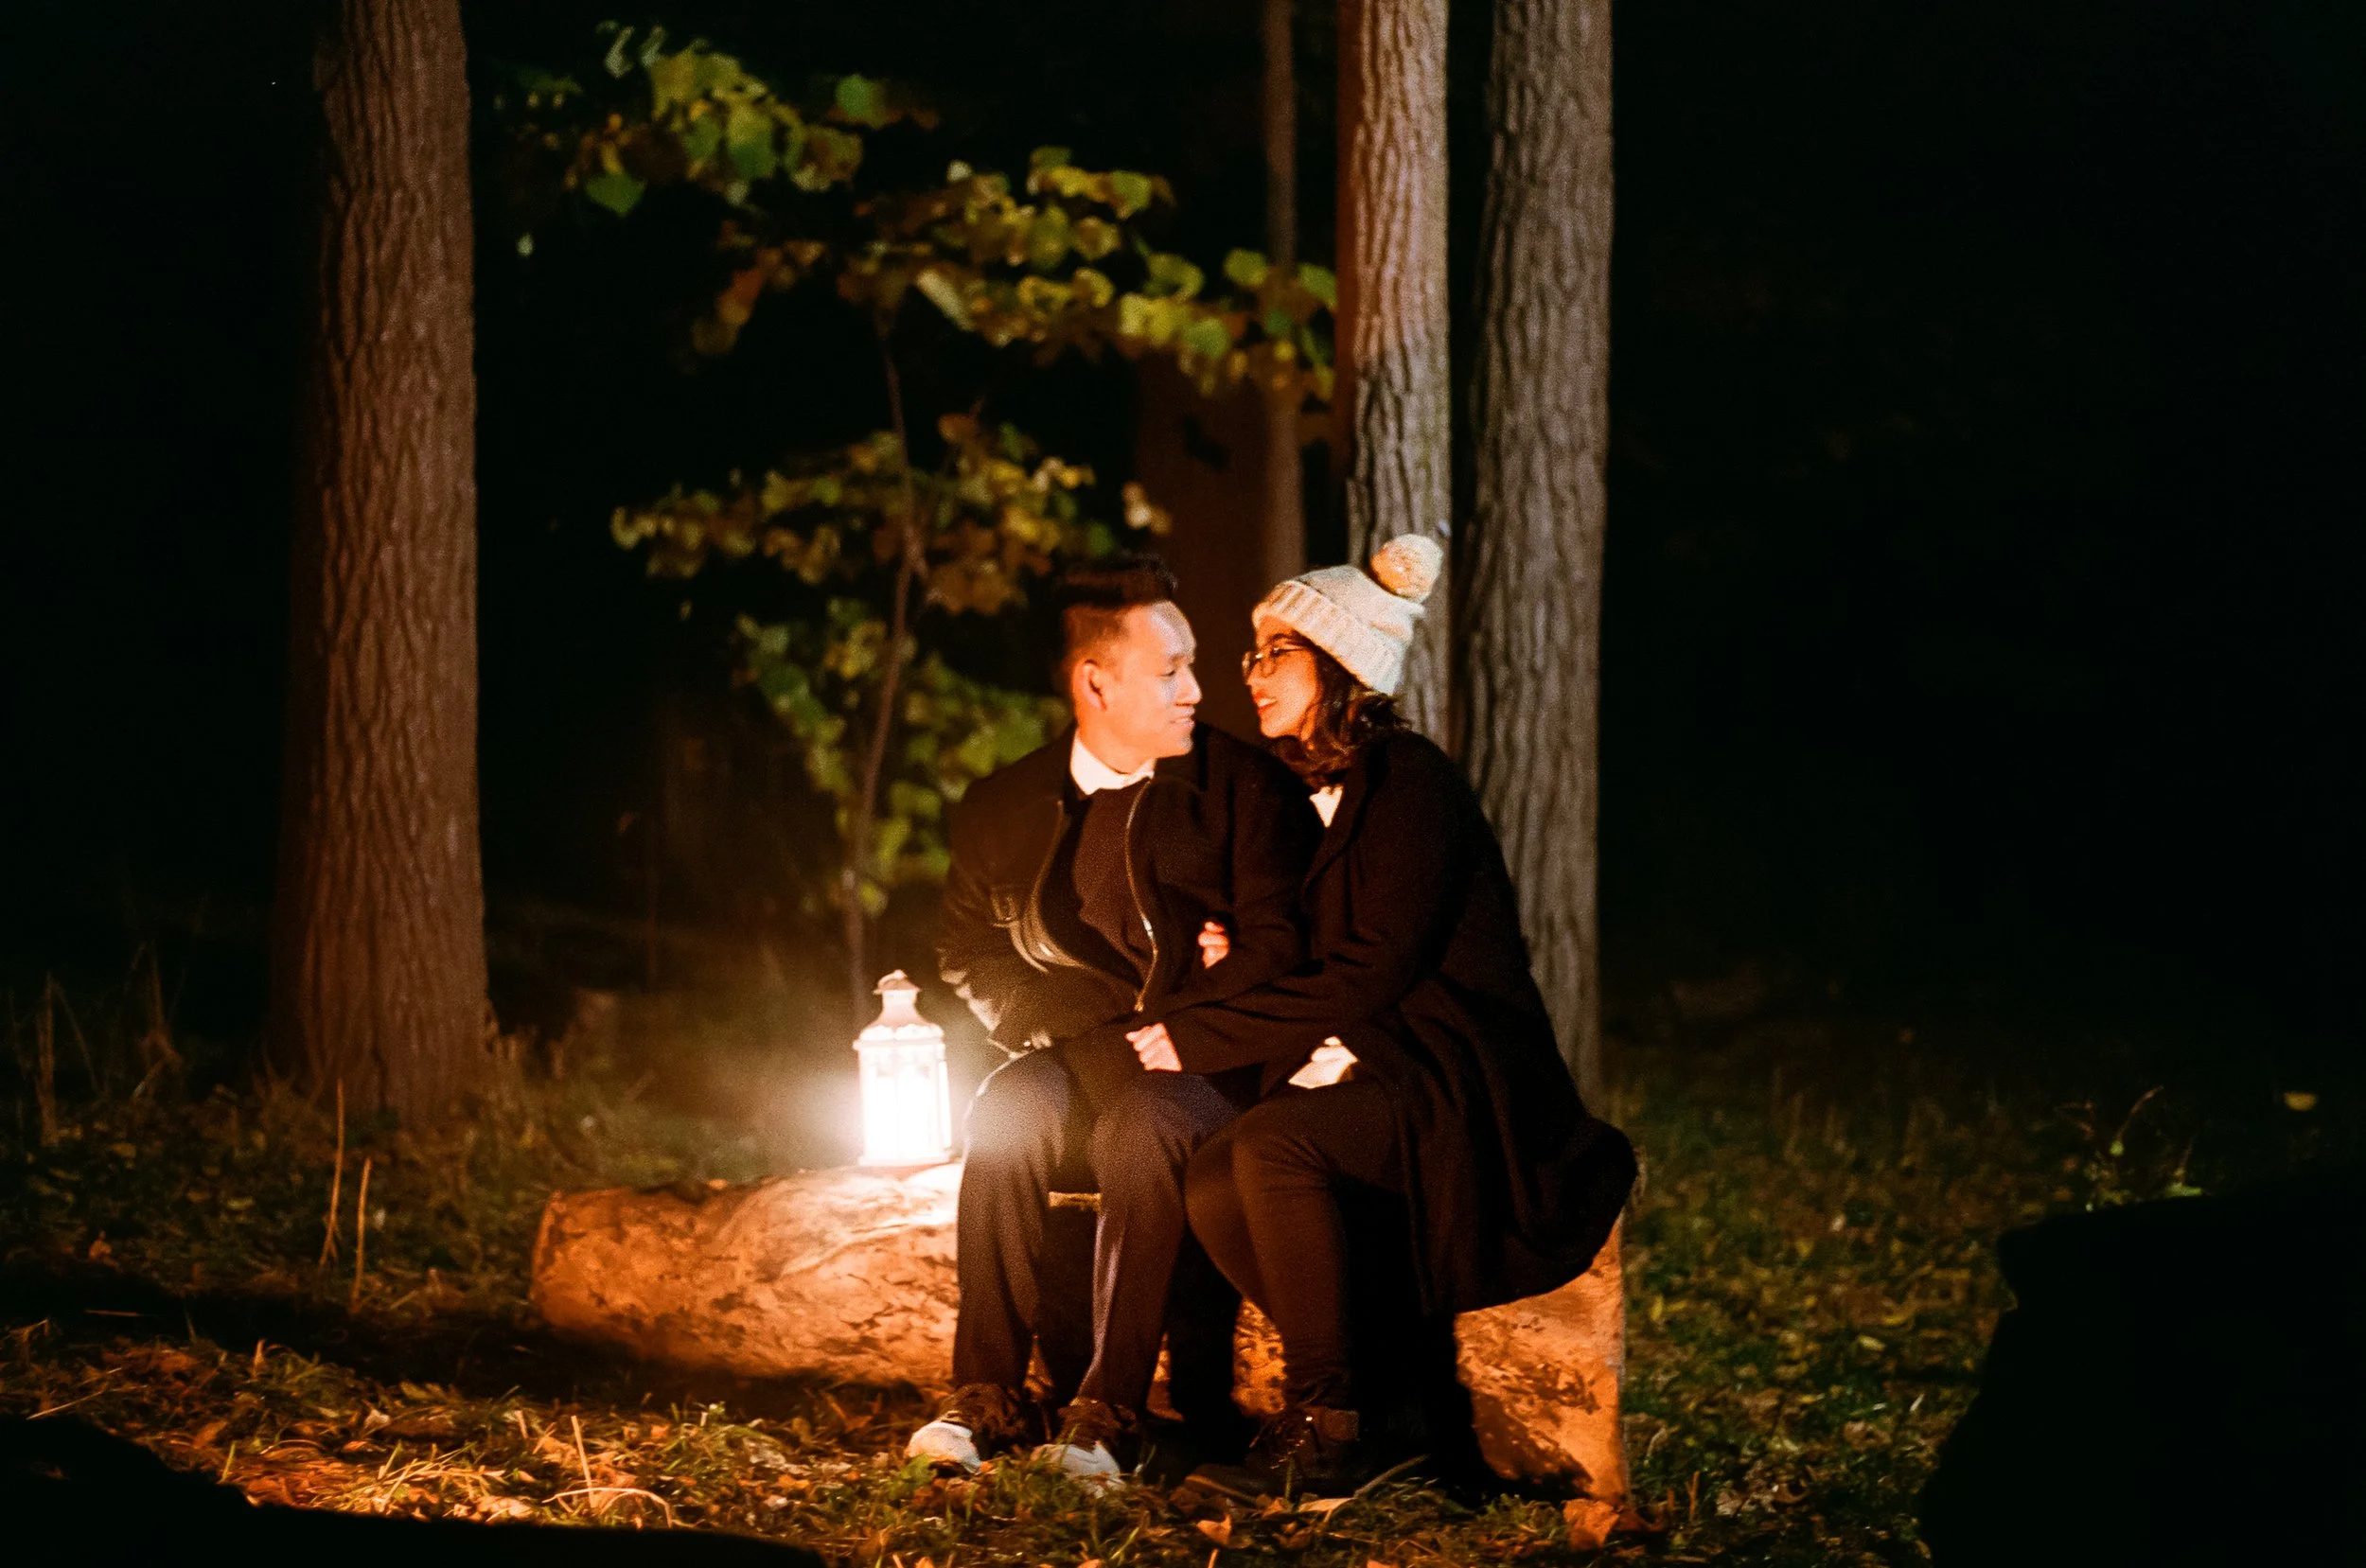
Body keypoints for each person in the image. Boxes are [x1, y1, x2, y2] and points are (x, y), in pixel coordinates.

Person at [1127, 536, 1638, 1494]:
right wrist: (1234, 960)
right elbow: (1307, 945)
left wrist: (1200, 1036)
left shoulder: (1412, 784)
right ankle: (1388, 1402)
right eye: (1251, 652)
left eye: (1275, 650)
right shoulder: (1309, 790)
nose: (1252, 671)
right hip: (1372, 1062)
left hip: (1456, 1078)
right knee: (1210, 1176)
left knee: (1274, 1146)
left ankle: (1328, 1424)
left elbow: (1372, 967)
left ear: (1342, 663)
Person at [909, 556, 1324, 1483]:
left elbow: (1279, 946)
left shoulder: (1243, 790)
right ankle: (983, 1396)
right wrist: (1055, 1017)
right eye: (1169, 669)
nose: (1196, 689)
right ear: (1095, 682)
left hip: (1215, 1060)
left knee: (1144, 1123)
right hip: (1078, 1050)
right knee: (1005, 1106)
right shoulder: (1003, 805)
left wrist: (1182, 1014)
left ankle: (1108, 1414)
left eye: (1192, 665)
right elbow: (967, 953)